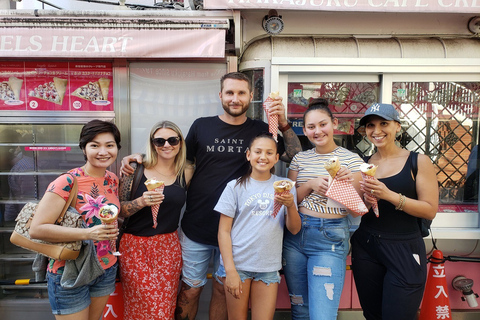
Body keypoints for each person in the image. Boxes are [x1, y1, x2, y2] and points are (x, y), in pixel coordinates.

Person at [121, 71, 301, 320]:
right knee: (191, 289)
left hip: (239, 233)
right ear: (220, 95)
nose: (235, 98)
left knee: (222, 289)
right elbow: (177, 158)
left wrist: (281, 120)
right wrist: (142, 159)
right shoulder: (201, 125)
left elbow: (294, 155)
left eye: (241, 93)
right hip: (197, 226)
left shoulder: (261, 130)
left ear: (250, 97)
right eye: (229, 92)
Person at [351, 103, 438, 320]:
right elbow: (357, 212)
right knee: (372, 314)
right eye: (371, 125)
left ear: (397, 126)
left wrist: (389, 195)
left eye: (384, 124)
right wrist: (365, 202)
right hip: (367, 246)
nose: (377, 130)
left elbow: (429, 210)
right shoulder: (363, 164)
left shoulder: (418, 161)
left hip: (405, 247)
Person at [29, 119, 121, 320]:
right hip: (70, 270)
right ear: (84, 148)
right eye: (95, 145)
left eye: (109, 145)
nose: (103, 151)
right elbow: (36, 229)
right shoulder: (68, 180)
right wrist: (88, 233)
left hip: (105, 266)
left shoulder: (112, 180)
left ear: (117, 148)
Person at [283, 98, 364, 320]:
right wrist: (309, 185)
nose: (317, 131)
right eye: (311, 127)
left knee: (323, 314)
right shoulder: (300, 159)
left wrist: (341, 186)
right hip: (295, 236)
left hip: (330, 236)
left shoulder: (351, 160)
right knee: (300, 309)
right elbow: (287, 199)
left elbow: (356, 210)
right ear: (305, 130)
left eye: (322, 124)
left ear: (334, 123)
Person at [216, 133, 301, 320]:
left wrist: (290, 205)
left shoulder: (286, 186)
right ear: (248, 155)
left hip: (268, 266)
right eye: (258, 151)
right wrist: (230, 270)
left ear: (277, 158)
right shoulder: (234, 187)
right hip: (237, 265)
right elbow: (223, 231)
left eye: (270, 153)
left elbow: (294, 229)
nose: (263, 157)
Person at [118, 120, 192, 319]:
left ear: (180, 143)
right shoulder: (135, 168)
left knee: (165, 307)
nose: (167, 145)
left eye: (172, 140)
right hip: (135, 247)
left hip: (168, 247)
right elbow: (120, 210)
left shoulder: (185, 171)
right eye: (160, 141)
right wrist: (141, 202)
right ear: (153, 144)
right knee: (144, 307)